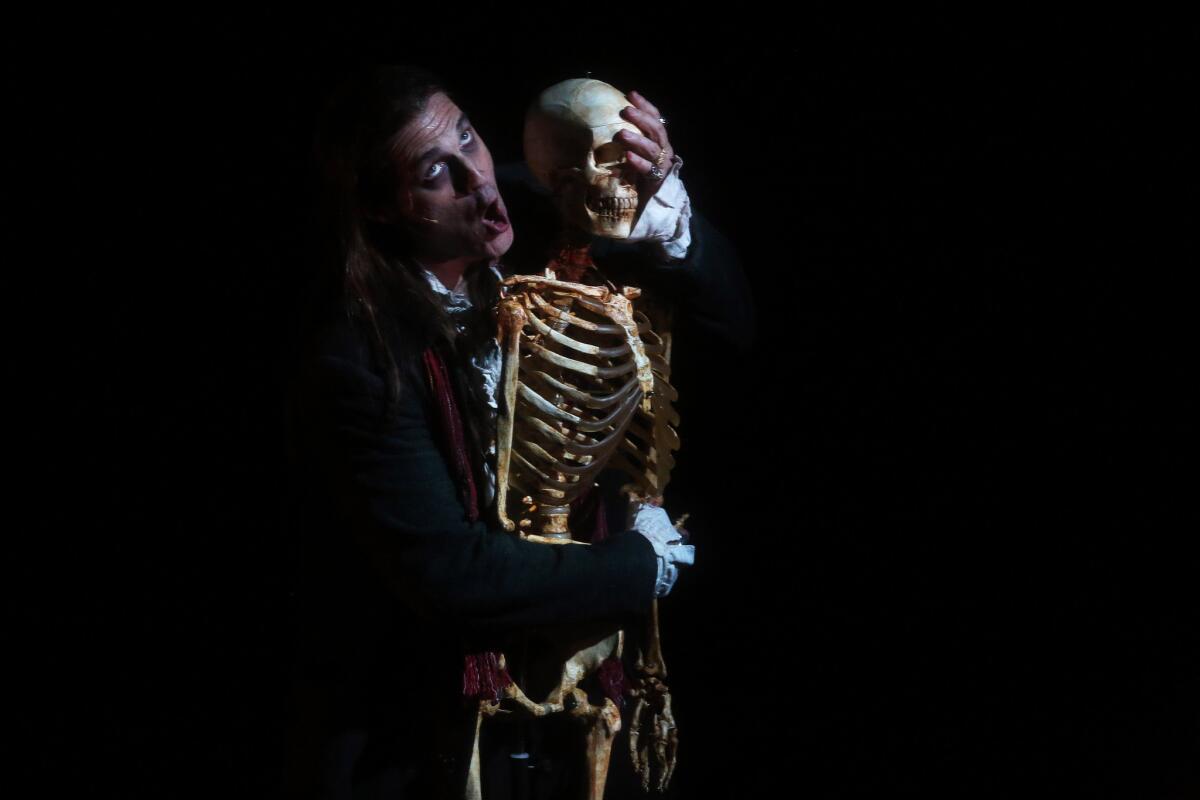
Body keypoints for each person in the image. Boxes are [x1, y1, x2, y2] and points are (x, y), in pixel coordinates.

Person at [283, 64, 752, 799]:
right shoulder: (360, 354)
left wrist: (665, 208)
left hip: (588, 712)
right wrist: (638, 566)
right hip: (435, 731)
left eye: (468, 136)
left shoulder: (546, 204)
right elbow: (452, 576)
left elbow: (733, 328)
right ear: (383, 208)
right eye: (438, 173)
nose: (479, 181)